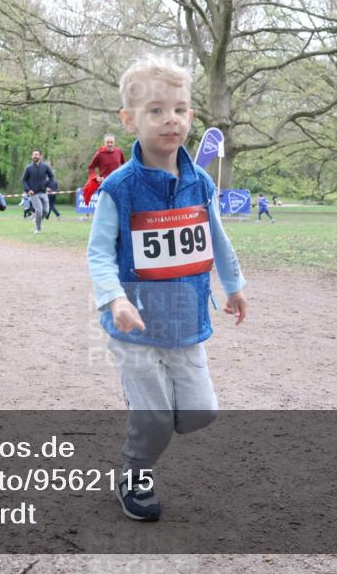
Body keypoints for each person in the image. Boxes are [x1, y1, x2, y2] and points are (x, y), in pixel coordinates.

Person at [87, 55, 248, 522]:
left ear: (191, 117)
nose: (170, 119)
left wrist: (233, 285)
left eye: (179, 109)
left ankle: (148, 417)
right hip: (134, 327)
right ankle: (136, 473)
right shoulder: (119, 187)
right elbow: (98, 252)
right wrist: (114, 297)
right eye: (155, 110)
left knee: (199, 414)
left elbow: (216, 236)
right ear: (129, 119)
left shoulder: (199, 182)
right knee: (156, 420)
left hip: (186, 322)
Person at [83, 134, 127, 204]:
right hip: (104, 184)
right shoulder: (99, 154)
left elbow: (125, 165)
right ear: (104, 143)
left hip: (117, 183)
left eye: (111, 142)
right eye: (107, 142)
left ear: (114, 142)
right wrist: (96, 177)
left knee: (118, 205)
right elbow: (91, 167)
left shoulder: (119, 151)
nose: (109, 144)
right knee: (104, 206)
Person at [21, 149, 55, 233]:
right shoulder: (28, 168)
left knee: (46, 211)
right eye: (33, 155)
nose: (34, 156)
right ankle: (38, 228)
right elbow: (23, 180)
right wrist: (28, 190)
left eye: (36, 154)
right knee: (39, 210)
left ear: (40, 156)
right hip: (34, 193)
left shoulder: (45, 166)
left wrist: (49, 186)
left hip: (43, 192)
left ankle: (36, 220)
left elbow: (52, 177)